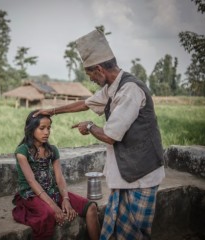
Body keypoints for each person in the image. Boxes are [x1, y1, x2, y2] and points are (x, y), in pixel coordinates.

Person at [34, 29, 165, 239]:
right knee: (121, 231)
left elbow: (110, 136)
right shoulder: (112, 87)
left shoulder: (129, 90)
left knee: (135, 233)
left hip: (142, 176)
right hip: (127, 173)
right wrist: (53, 110)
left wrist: (89, 127)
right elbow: (86, 104)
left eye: (90, 75)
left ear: (100, 69)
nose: (92, 80)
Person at [12, 110, 100, 240]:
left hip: (53, 192)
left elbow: (59, 178)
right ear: (30, 129)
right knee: (47, 215)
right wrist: (54, 206)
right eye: (42, 128)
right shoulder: (22, 151)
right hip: (32, 194)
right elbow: (31, 181)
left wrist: (66, 199)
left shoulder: (52, 150)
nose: (46, 132)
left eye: (49, 128)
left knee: (91, 207)